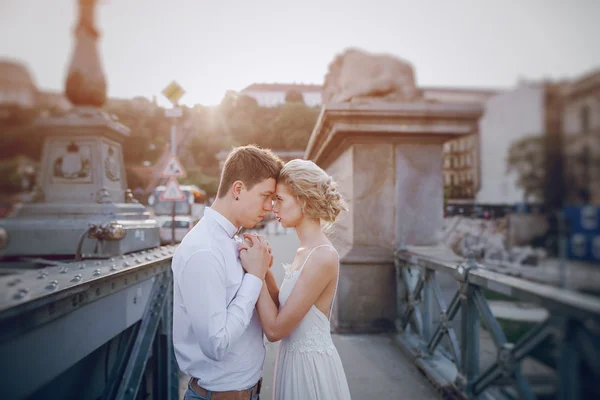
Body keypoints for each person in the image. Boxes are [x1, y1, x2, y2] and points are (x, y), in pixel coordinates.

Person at [172, 145, 284, 400]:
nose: (269, 206)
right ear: (238, 189)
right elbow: (216, 345)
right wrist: (254, 277)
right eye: (265, 195)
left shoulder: (231, 241)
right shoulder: (204, 250)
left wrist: (263, 271)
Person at [239, 159, 352, 400]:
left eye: (279, 199)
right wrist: (266, 270)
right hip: (294, 361)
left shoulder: (322, 255)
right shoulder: (305, 250)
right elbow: (285, 307)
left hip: (309, 370)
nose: (272, 207)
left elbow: (275, 329)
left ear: (304, 200)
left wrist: (256, 274)